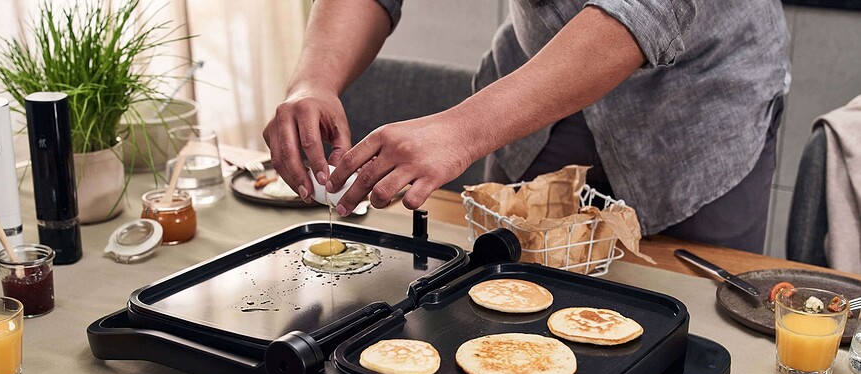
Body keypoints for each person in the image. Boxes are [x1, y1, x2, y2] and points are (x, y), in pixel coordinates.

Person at [263, 0, 790, 253]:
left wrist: (459, 130)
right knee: (503, 292)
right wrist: (314, 82)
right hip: (536, 93)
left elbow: (645, 9)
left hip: (699, 108)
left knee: (687, 313)